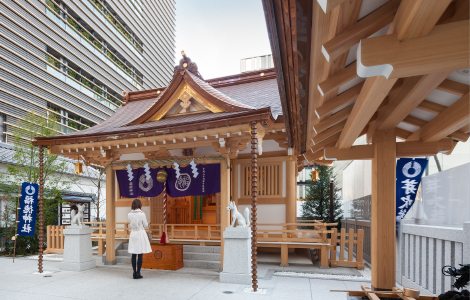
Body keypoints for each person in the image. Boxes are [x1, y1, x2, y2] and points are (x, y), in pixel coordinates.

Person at [128, 199, 152, 279]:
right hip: (140, 233)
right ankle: (138, 273)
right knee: (140, 254)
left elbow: (131, 224)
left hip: (133, 233)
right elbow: (145, 225)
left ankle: (134, 273)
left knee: (134, 254)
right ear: (139, 205)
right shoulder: (142, 214)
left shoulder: (129, 214)